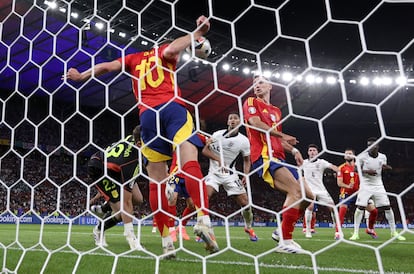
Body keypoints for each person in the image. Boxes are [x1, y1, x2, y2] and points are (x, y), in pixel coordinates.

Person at [64, 15, 218, 257]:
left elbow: (105, 67)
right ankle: (203, 220)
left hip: (148, 117)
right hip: (172, 109)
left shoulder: (134, 59)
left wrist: (81, 76)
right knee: (189, 160)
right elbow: (175, 47)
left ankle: (167, 242)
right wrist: (196, 32)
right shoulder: (165, 53)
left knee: (157, 180)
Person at [242, 75, 314, 254]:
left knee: (308, 197)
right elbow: (255, 123)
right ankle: (285, 241)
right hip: (264, 157)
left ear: (270, 86)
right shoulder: (251, 101)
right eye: (254, 83)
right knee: (295, 191)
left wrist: (295, 151)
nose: (256, 86)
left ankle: (280, 231)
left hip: (279, 157)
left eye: (260, 82)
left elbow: (276, 139)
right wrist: (282, 135)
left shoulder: (276, 111)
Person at [202, 112, 257, 241]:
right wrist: (218, 159)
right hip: (214, 173)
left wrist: (246, 174)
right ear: (227, 122)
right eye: (230, 118)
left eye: (235, 118)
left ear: (240, 122)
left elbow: (247, 160)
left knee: (246, 203)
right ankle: (204, 228)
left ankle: (248, 227)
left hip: (231, 175)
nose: (232, 120)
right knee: (204, 197)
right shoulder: (217, 135)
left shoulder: (243, 141)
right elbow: (205, 150)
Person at [87, 126, 144, 250]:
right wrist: (130, 235)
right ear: (139, 143)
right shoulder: (132, 162)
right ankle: (99, 229)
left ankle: (103, 208)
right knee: (121, 212)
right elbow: (127, 202)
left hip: (115, 168)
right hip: (99, 169)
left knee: (138, 199)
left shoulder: (132, 139)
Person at [350, 137, 406, 241]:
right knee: (360, 207)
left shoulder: (382, 157)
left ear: (377, 147)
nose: (370, 147)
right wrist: (367, 171)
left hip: (378, 185)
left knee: (387, 207)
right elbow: (355, 169)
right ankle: (356, 233)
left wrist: (386, 168)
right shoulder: (362, 157)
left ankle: (393, 232)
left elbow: (382, 167)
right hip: (365, 185)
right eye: (368, 145)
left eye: (372, 145)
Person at [337, 148, 377, 240]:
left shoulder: (360, 167)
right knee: (342, 211)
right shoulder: (341, 168)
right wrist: (347, 186)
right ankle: (338, 232)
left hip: (360, 193)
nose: (348, 155)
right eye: (346, 154)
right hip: (346, 193)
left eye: (350, 153)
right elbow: (339, 183)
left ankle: (370, 229)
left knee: (374, 211)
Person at [301, 144, 338, 239]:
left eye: (314, 150)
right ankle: (308, 230)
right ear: (308, 152)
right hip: (310, 190)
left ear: (317, 152)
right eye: (310, 150)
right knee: (310, 207)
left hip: (321, 190)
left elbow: (333, 166)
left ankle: (336, 227)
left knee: (333, 207)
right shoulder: (304, 163)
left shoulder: (321, 162)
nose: (312, 152)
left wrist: (339, 171)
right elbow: (298, 172)